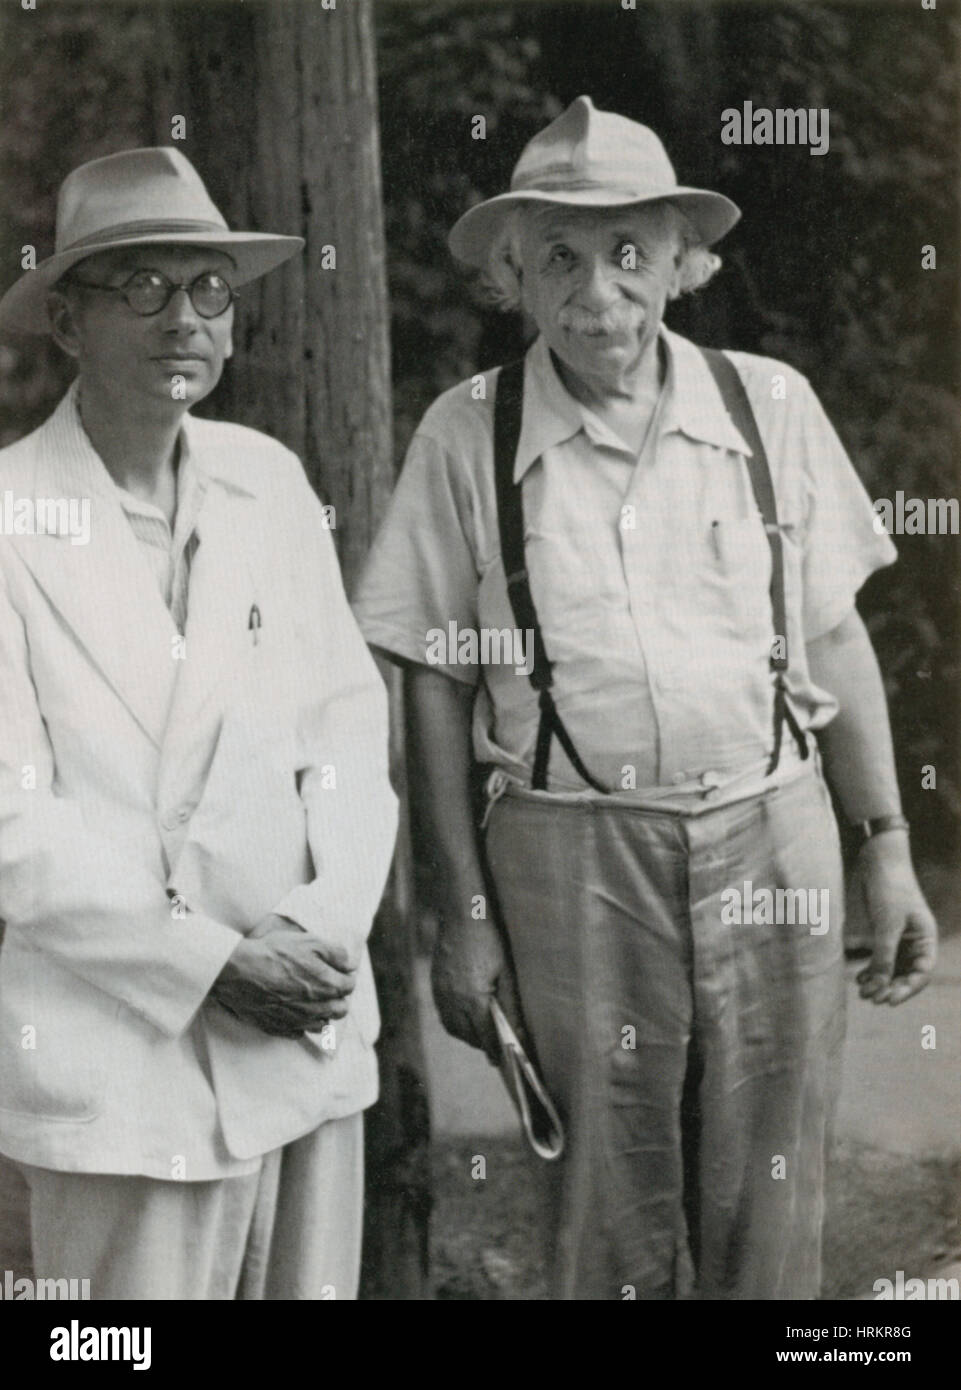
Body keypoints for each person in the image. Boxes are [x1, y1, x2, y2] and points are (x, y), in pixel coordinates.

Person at [353, 96, 937, 1300]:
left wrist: (884, 843)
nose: (597, 291)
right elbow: (427, 683)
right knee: (599, 1211)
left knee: (772, 1192)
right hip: (568, 856)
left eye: (629, 252)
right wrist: (458, 915)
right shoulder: (464, 437)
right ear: (511, 276)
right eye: (558, 257)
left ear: (681, 262)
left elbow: (834, 630)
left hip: (775, 831)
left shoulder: (767, 404)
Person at [0, 147, 397, 1300]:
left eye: (208, 288)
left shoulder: (266, 481)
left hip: (301, 1037)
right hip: (120, 1058)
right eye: (143, 287)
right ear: (68, 322)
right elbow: (15, 830)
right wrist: (212, 962)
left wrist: (316, 933)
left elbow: (346, 733)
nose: (184, 319)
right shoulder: (11, 520)